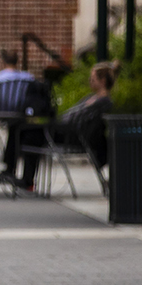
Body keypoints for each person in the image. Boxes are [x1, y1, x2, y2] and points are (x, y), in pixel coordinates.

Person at [13, 61, 117, 192]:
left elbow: (80, 121)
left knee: (32, 135)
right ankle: (26, 179)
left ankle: (27, 180)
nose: (90, 81)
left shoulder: (102, 101)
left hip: (71, 135)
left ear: (102, 80)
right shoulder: (92, 98)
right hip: (65, 130)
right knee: (30, 132)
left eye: (93, 78)